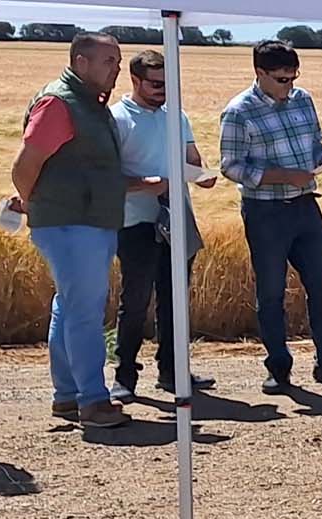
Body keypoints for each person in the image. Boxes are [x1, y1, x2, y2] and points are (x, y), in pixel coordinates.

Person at [218, 40, 322, 394]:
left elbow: (315, 144)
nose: (289, 85)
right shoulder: (239, 112)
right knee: (271, 292)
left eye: (293, 77)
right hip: (265, 211)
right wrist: (284, 175)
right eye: (282, 79)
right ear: (260, 73)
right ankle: (279, 368)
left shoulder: (303, 99)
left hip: (305, 205)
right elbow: (230, 166)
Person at [13, 33, 132, 428]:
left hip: (82, 220)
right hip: (71, 222)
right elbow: (26, 165)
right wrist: (36, 203)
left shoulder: (87, 104)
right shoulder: (60, 104)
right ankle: (93, 401)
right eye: (108, 61)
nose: (116, 69)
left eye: (116, 61)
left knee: (69, 306)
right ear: (81, 62)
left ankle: (67, 395)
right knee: (84, 310)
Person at [108, 49, 215, 402]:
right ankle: (124, 375)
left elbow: (192, 159)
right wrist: (145, 183)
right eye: (155, 84)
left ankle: (172, 372)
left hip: (175, 215)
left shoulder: (177, 116)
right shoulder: (117, 118)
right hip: (135, 220)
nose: (163, 90)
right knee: (136, 300)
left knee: (175, 299)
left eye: (168, 84)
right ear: (135, 80)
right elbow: (105, 176)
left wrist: (201, 175)